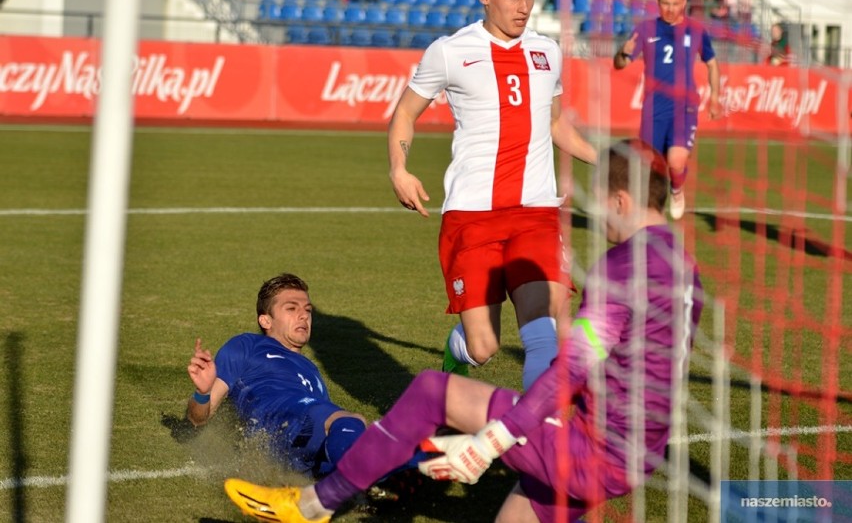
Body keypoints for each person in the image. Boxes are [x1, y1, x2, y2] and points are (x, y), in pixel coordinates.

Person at [223, 139, 705, 523]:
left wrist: (496, 439)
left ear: (622, 199)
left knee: (432, 390)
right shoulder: (686, 269)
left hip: (589, 448)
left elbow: (570, 370)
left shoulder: (621, 267)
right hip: (637, 453)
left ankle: (313, 505)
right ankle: (403, 470)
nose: (600, 215)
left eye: (603, 203)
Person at [387, 0, 597, 392]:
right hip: (472, 217)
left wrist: (609, 160)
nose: (523, 7)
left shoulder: (547, 51)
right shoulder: (449, 51)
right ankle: (455, 363)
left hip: (536, 212)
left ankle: (535, 436)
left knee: (543, 335)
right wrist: (399, 168)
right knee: (484, 347)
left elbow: (555, 124)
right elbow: (406, 111)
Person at [186, 272, 367, 477]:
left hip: (302, 448)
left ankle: (386, 482)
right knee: (352, 421)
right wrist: (203, 392)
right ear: (266, 320)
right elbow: (198, 419)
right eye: (291, 308)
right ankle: (358, 483)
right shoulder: (247, 345)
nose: (303, 316)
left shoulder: (313, 372)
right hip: (275, 426)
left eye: (307, 310)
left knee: (360, 431)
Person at [613, 0, 721, 221]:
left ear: (683, 3)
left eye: (675, 4)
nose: (670, 9)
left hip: (685, 107)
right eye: (665, 4)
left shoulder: (696, 30)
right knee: (650, 166)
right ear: (658, 3)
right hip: (654, 109)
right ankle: (651, 214)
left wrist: (715, 96)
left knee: (676, 159)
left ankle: (677, 189)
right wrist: (623, 53)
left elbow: (712, 64)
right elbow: (619, 65)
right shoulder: (645, 30)